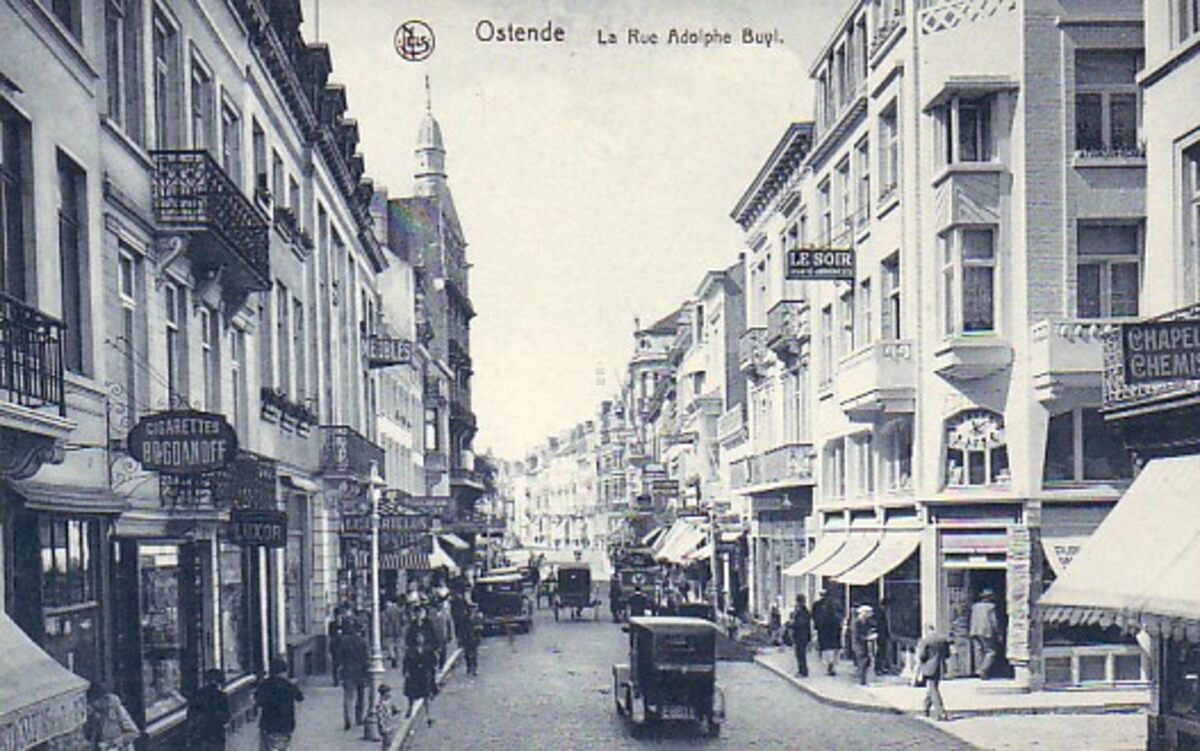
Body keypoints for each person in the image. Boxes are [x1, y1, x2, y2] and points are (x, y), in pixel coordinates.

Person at [255, 658, 304, 751]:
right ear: (284, 672)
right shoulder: (288, 685)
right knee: (282, 747)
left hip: (268, 724)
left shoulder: (265, 684)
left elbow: (257, 701)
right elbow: (300, 697)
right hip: (286, 724)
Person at [85, 682, 140, 751]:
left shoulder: (117, 710)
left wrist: (114, 743)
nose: (96, 705)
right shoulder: (96, 714)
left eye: (97, 701)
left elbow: (134, 733)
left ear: (104, 699)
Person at [188, 669, 230, 750]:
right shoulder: (222, 696)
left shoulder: (198, 695)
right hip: (216, 733)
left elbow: (191, 714)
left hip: (201, 733)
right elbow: (226, 716)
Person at [916, 624, 951, 721]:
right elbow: (947, 654)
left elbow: (922, 656)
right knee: (932, 688)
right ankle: (925, 708)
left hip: (929, 667)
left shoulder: (925, 641)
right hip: (940, 667)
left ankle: (941, 712)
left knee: (933, 690)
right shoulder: (942, 640)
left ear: (926, 630)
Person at [339, 625, 370, 730]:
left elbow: (341, 658)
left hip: (347, 671)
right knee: (360, 696)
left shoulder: (344, 642)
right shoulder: (363, 642)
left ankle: (348, 718)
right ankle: (358, 718)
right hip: (360, 672)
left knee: (348, 696)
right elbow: (366, 659)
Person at [403, 632, 437, 726]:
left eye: (421, 637)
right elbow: (406, 662)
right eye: (418, 637)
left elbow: (433, 661)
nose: (420, 639)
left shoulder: (428, 650)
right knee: (411, 694)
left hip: (424, 675)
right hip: (414, 674)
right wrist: (406, 672)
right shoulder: (411, 650)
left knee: (426, 695)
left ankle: (428, 715)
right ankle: (409, 710)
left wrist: (431, 671)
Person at [969, 589, 1001, 679]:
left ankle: (978, 669)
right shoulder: (991, 607)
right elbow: (993, 621)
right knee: (990, 651)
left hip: (974, 630)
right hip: (986, 631)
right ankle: (983, 669)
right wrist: (998, 632)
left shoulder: (975, 606)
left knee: (978, 650)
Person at [812, 591, 842, 676]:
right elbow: (841, 615)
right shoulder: (836, 604)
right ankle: (832, 665)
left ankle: (829, 665)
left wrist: (817, 626)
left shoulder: (817, 605)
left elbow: (814, 616)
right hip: (834, 629)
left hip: (823, 630)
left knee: (826, 648)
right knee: (834, 648)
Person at [849, 604, 876, 686]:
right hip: (858, 645)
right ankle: (861, 680)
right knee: (863, 661)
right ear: (864, 613)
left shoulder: (866, 622)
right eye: (869, 613)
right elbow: (856, 635)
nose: (870, 615)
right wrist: (868, 637)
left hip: (864, 644)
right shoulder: (856, 622)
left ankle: (863, 678)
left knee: (866, 661)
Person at [789, 595, 813, 677]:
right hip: (802, 635)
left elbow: (800, 624)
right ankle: (801, 670)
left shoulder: (803, 612)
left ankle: (803, 671)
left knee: (801, 654)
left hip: (801, 635)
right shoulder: (802, 611)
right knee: (799, 654)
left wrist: (791, 625)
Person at [376, 684, 403, 750]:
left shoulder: (389, 702)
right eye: (387, 692)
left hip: (390, 724)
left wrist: (396, 710)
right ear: (384, 694)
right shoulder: (380, 704)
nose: (389, 694)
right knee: (387, 742)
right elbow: (380, 717)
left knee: (389, 742)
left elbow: (393, 710)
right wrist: (382, 727)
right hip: (385, 726)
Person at [381, 598, 405, 669]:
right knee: (398, 646)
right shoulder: (401, 610)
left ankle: (392, 656)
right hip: (399, 630)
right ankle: (396, 660)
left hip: (389, 629)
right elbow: (403, 620)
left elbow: (384, 619)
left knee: (390, 645)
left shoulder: (388, 610)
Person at [461, 605, 484, 676]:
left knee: (474, 654)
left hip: (474, 638)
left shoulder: (478, 617)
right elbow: (462, 628)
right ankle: (468, 667)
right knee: (467, 653)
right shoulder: (465, 618)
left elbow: (481, 627)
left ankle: (474, 668)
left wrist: (477, 630)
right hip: (467, 638)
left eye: (474, 609)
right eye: (471, 609)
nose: (473, 611)